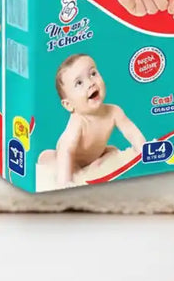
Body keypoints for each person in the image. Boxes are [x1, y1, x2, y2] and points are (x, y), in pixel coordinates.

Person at [37, 53, 147, 186]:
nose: (90, 83)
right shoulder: (78, 122)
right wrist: (65, 183)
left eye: (93, 74)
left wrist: (144, 152)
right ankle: (76, 170)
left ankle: (95, 165)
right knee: (51, 159)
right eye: (79, 83)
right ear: (69, 105)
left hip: (95, 155)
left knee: (113, 151)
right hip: (69, 159)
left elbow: (132, 132)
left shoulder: (114, 111)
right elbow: (66, 150)